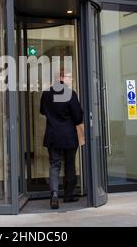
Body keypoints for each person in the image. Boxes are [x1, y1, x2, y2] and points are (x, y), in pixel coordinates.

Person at [40, 69, 83, 209]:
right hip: (69, 136)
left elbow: (42, 110)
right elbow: (78, 117)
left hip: (53, 135)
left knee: (55, 165)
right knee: (70, 165)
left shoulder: (46, 93)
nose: (71, 79)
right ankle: (68, 195)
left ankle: (54, 195)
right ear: (61, 78)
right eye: (70, 77)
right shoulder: (71, 94)